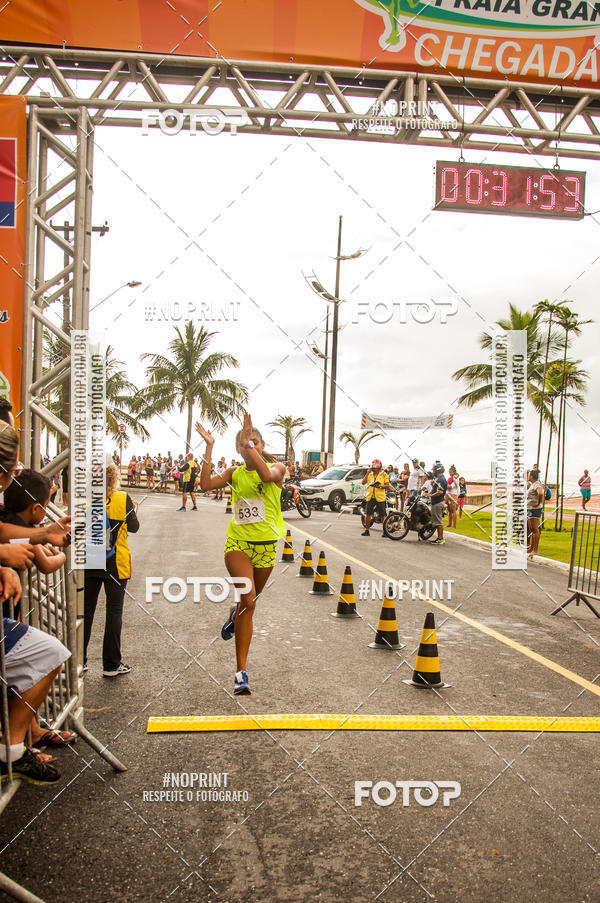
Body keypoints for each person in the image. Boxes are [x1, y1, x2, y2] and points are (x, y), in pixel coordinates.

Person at [196, 413, 286, 696]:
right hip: (239, 545)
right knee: (249, 600)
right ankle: (241, 672)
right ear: (237, 449)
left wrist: (249, 445)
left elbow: (264, 474)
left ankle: (235, 615)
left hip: (267, 547)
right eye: (246, 443)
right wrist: (210, 447)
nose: (251, 446)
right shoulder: (234, 473)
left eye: (255, 442)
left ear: (261, 445)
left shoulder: (278, 468)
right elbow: (204, 486)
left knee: (247, 605)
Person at [83, 464, 139, 676]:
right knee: (114, 612)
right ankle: (111, 664)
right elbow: (134, 527)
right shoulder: (122, 498)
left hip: (90, 560)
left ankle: (81, 661)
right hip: (116, 562)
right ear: (115, 479)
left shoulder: (86, 500)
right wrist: (134, 511)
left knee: (87, 611)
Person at [361, 459, 389, 537]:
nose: (375, 469)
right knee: (368, 514)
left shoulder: (384, 474)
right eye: (374, 467)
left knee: (382, 515)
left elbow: (387, 485)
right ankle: (367, 530)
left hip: (380, 497)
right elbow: (363, 482)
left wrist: (380, 486)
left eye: (376, 468)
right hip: (370, 496)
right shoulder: (370, 474)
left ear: (379, 467)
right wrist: (367, 473)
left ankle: (385, 532)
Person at [427, 463, 447, 544]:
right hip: (435, 502)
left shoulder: (441, 479)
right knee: (436, 520)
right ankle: (439, 537)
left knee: (438, 521)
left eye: (434, 470)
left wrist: (431, 495)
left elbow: (440, 491)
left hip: (438, 502)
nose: (433, 471)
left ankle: (440, 538)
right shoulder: (438, 479)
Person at [527, 468, 544, 558]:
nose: (528, 476)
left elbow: (540, 493)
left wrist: (538, 503)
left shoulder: (537, 484)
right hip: (530, 509)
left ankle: (535, 550)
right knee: (532, 529)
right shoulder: (532, 484)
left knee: (535, 529)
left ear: (532, 476)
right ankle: (531, 548)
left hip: (534, 509)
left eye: (529, 475)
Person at [446, 465, 459, 529]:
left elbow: (450, 486)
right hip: (449, 494)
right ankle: (449, 523)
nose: (449, 473)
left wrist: (445, 485)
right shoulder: (450, 478)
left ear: (454, 472)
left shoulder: (455, 479)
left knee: (453, 510)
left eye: (451, 472)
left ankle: (454, 525)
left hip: (453, 495)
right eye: (449, 472)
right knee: (449, 509)